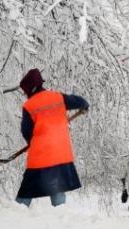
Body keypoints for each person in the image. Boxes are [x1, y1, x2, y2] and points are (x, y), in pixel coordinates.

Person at [16, 68, 89, 207]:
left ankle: (14, 216)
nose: (25, 94)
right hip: (61, 154)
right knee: (57, 188)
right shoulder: (59, 98)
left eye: (25, 91)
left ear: (30, 89)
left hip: (41, 156)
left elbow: (26, 132)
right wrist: (84, 107)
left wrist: (32, 143)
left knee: (26, 191)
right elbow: (81, 101)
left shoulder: (29, 106)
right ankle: (60, 218)